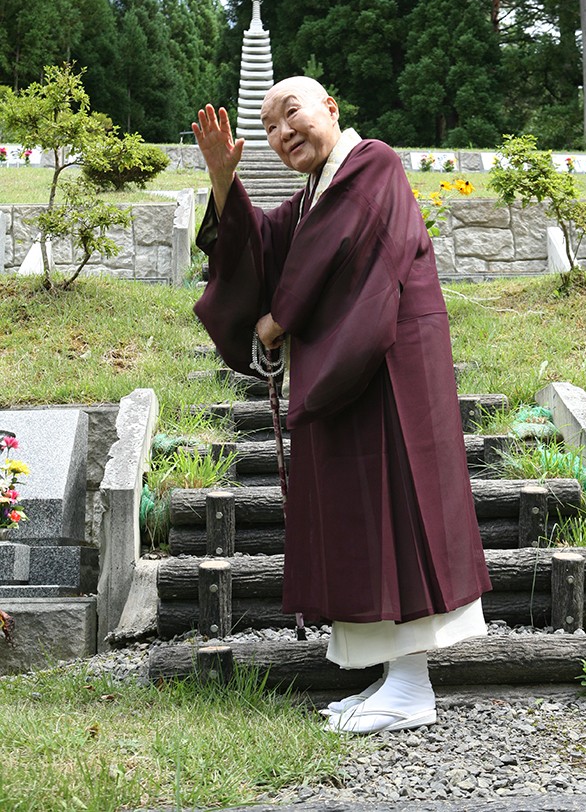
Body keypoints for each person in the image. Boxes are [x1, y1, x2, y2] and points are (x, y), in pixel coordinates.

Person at [192, 77, 491, 734]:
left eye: (291, 112)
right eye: (269, 126)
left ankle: (413, 685)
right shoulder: (309, 200)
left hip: (389, 365)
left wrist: (279, 320)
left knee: (399, 510)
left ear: (331, 107)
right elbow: (262, 249)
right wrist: (222, 180)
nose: (281, 132)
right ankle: (395, 679)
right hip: (350, 367)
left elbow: (342, 248)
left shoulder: (373, 163)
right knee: (363, 517)